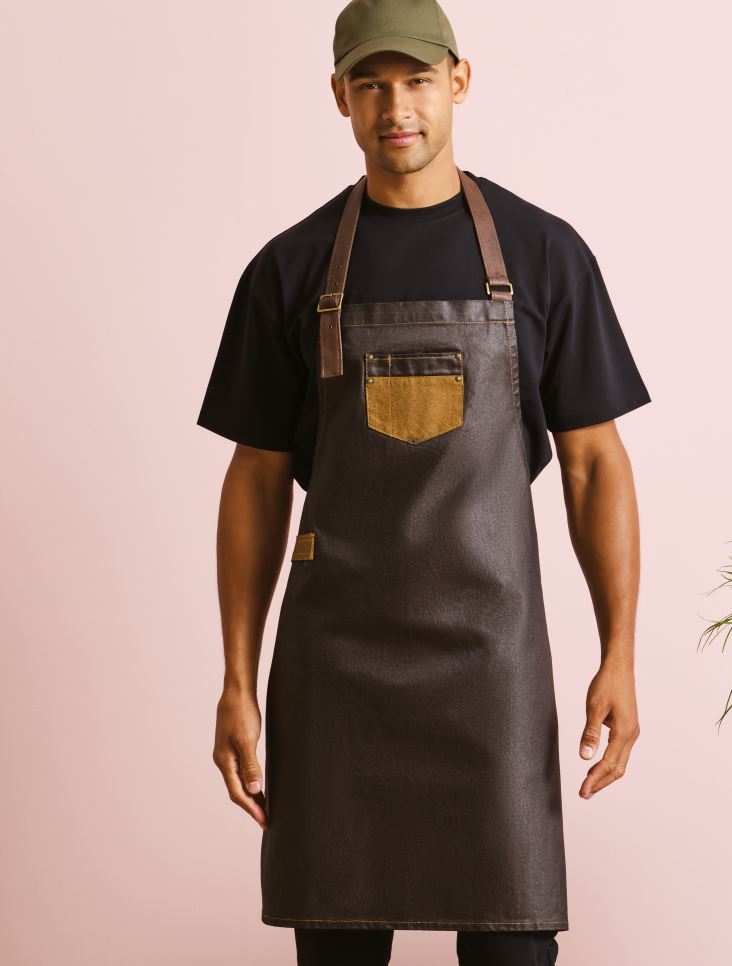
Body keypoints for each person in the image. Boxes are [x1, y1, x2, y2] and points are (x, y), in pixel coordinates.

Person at [199, 0, 650, 963]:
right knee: (337, 950)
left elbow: (595, 465)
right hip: (336, 672)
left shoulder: (544, 254)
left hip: (492, 667)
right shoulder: (287, 269)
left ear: (459, 80)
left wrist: (619, 653)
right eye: (370, 85)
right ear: (340, 97)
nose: (395, 107)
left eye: (416, 81)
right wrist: (237, 681)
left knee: (513, 948)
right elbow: (255, 483)